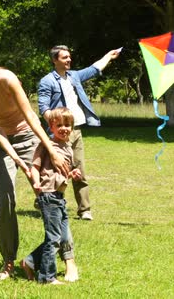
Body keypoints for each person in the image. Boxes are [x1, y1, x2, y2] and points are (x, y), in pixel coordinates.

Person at [0, 47, 78, 281]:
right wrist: (15, 159)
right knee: (5, 201)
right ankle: (8, 262)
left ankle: (69, 260)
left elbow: (31, 117)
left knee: (53, 196)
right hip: (2, 143)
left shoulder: (7, 79)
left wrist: (51, 152)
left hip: (29, 137)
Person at [38, 45, 120, 221]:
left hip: (76, 131)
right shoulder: (47, 81)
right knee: (56, 171)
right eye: (64, 57)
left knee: (79, 169)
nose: (68, 60)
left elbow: (94, 69)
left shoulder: (74, 76)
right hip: (58, 134)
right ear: (55, 60)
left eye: (69, 57)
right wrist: (54, 126)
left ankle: (84, 210)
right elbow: (43, 107)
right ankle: (45, 200)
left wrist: (108, 55)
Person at [20, 107, 82, 285]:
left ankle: (30, 262)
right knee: (53, 238)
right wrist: (36, 183)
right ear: (51, 127)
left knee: (60, 237)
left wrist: (72, 173)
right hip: (49, 196)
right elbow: (35, 167)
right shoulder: (46, 145)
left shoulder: (67, 147)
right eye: (59, 125)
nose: (64, 128)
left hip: (60, 197)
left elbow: (61, 172)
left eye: (68, 125)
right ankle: (47, 277)